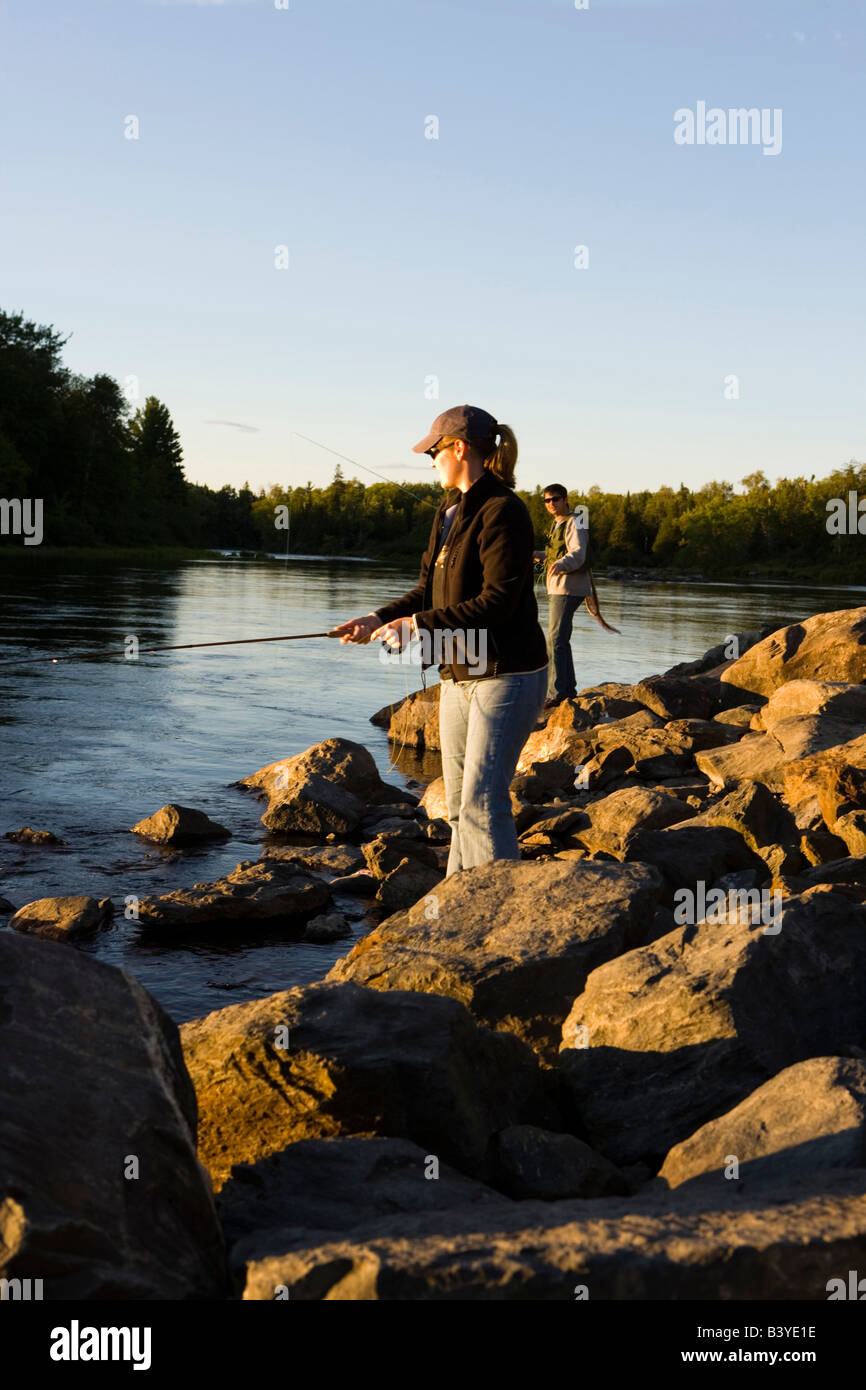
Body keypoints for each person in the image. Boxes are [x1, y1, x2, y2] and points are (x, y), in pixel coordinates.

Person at [334, 404, 548, 876]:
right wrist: (376, 619)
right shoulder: (447, 513)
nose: (429, 460)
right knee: (455, 807)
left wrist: (416, 627)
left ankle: (499, 913)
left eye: (433, 451)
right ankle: (460, 904)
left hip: (506, 674)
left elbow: (499, 602)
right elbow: (424, 593)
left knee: (482, 803)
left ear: (459, 448)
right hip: (458, 673)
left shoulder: (503, 511)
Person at [535, 483, 591, 707]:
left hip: (568, 587)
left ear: (565, 499)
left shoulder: (575, 521)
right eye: (547, 500)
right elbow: (554, 554)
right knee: (561, 640)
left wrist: (560, 564)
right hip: (559, 587)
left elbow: (578, 552)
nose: (551, 504)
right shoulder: (556, 523)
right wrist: (537, 555)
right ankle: (567, 689)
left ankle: (556, 693)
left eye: (555, 499)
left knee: (555, 639)